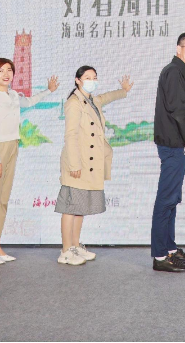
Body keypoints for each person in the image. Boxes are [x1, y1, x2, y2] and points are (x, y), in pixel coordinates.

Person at [0, 58, 58, 264]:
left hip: (12, 147)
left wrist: (48, 91)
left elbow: (29, 102)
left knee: (3, 200)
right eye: (0, 70)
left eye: (9, 70)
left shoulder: (13, 95)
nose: (6, 74)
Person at [56, 66, 133, 266]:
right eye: (87, 77)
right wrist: (74, 164)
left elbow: (106, 97)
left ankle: (75, 245)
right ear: (77, 80)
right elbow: (70, 136)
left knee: (80, 207)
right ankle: (65, 251)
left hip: (88, 163)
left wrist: (123, 91)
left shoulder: (92, 100)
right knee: (70, 207)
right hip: (77, 163)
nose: (92, 81)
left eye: (94, 77)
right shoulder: (74, 103)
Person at [151, 32, 185, 272]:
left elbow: (179, 104)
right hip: (175, 146)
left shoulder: (180, 75)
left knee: (171, 199)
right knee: (166, 200)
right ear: (178, 49)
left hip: (176, 146)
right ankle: (160, 256)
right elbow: (178, 111)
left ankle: (170, 249)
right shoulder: (173, 73)